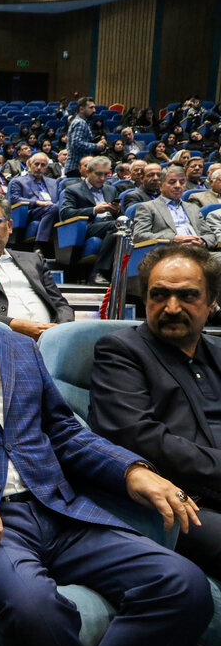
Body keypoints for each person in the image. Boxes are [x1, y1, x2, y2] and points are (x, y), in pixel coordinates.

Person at [0, 230, 212, 646]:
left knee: (184, 585)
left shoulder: (21, 347)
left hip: (59, 508)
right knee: (36, 609)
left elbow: (64, 431)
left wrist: (133, 470)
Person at [91, 244, 221, 574]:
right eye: (159, 295)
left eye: (187, 296)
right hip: (181, 500)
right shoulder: (120, 351)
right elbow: (139, 437)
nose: (171, 307)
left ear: (212, 303)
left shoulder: (218, 352)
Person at [0, 193, 74, 340]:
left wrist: (59, 330)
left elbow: (61, 305)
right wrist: (13, 325)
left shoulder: (33, 260)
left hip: (51, 339)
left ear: (9, 226)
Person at [59, 156, 120, 284]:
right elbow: (65, 213)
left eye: (106, 174)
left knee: (124, 225)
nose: (102, 178)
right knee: (117, 226)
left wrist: (116, 211)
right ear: (87, 172)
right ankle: (97, 272)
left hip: (109, 224)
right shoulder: (73, 189)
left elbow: (120, 216)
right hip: (87, 226)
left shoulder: (111, 189)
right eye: (98, 174)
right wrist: (93, 210)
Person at [133, 165, 221, 251]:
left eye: (182, 182)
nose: (178, 186)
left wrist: (202, 241)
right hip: (169, 252)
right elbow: (139, 236)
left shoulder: (193, 208)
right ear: (160, 185)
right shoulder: (148, 207)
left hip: (199, 252)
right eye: (172, 182)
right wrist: (173, 238)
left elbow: (210, 235)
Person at [8, 153, 62, 244]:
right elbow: (14, 199)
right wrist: (37, 202)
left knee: (58, 207)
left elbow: (60, 199)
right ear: (30, 164)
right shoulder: (18, 181)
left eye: (43, 165)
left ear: (46, 167)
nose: (39, 167)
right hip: (31, 211)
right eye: (36, 164)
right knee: (54, 208)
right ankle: (40, 243)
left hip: (52, 209)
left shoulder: (54, 182)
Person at [65, 97, 107, 177]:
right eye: (91, 107)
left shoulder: (82, 122)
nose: (94, 110)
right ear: (81, 109)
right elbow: (76, 143)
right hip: (76, 167)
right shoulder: (80, 123)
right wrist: (97, 146)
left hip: (78, 167)